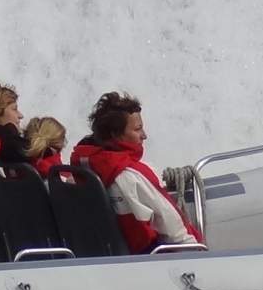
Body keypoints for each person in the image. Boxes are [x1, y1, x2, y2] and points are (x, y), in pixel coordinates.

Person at [68, 91, 203, 254]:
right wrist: (198, 252)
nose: (144, 135)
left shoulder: (82, 167)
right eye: (138, 129)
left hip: (106, 255)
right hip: (146, 259)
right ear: (115, 135)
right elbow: (174, 230)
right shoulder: (131, 176)